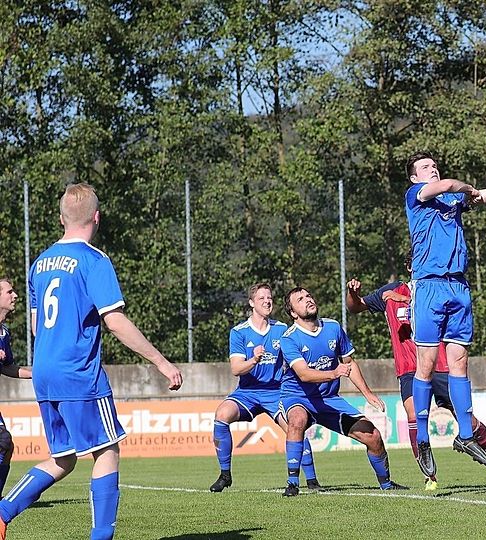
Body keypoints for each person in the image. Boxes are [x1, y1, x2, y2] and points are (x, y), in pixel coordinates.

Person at [0, 183, 183, 540]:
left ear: (60, 219)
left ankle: (3, 511)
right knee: (107, 450)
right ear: (96, 218)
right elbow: (114, 321)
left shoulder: (39, 263)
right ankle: (101, 537)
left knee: (64, 457)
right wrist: (161, 362)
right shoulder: (94, 260)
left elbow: (38, 327)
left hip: (45, 372)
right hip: (78, 372)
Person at [345, 257, 486, 490]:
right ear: (409, 267)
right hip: (410, 368)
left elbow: (436, 309)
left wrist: (407, 300)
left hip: (442, 366)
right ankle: (430, 477)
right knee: (413, 414)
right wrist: (353, 294)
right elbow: (355, 308)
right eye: (416, 263)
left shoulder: (440, 288)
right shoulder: (390, 292)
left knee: (469, 420)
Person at [404, 151, 486, 478]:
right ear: (414, 177)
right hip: (429, 286)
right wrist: (466, 188)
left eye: (434, 166)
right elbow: (453, 184)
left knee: (460, 362)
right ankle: (423, 438)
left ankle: (465, 434)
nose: (432, 170)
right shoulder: (416, 195)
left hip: (458, 287)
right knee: (426, 363)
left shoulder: (452, 198)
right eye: (425, 168)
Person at [278, 287, 406, 496]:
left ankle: (387, 485)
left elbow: (349, 362)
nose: (308, 300)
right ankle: (292, 483)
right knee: (297, 420)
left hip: (329, 399)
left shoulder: (333, 327)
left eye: (309, 295)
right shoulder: (289, 338)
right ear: (293, 312)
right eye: (300, 299)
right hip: (298, 397)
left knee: (373, 435)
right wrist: (334, 373)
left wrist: (367, 393)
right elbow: (304, 374)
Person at [209, 283, 320, 492]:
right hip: (248, 392)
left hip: (277, 391)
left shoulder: (282, 330)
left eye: (269, 298)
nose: (267, 301)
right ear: (251, 303)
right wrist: (254, 359)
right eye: (261, 298)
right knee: (222, 415)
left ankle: (312, 481)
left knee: (295, 428)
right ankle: (225, 475)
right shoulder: (239, 332)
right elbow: (236, 368)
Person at [0, 278, 32, 495]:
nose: (15, 296)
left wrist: (36, 375)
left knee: (6, 445)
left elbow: (8, 367)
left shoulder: (4, 333)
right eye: (10, 292)